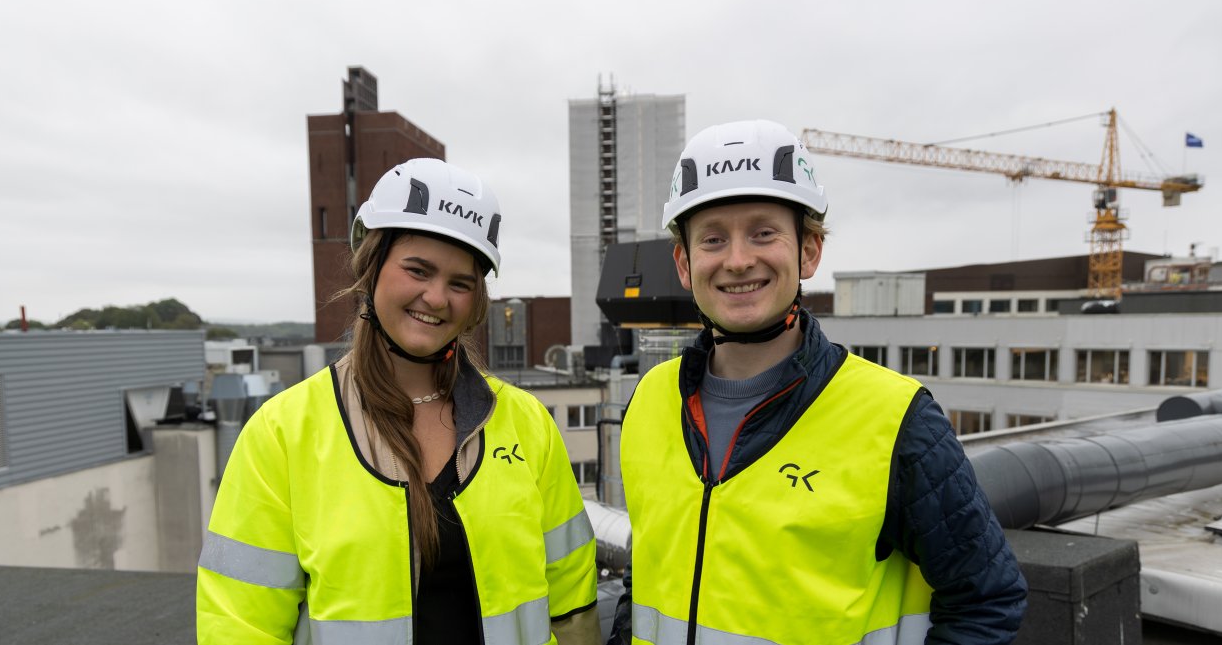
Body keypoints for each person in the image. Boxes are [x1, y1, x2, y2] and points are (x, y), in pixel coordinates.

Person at [608, 121, 1027, 645]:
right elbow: (648, 574)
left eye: (764, 232)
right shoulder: (651, 399)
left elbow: (986, 599)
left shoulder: (895, 419)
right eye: (713, 238)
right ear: (684, 263)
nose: (738, 259)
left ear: (808, 250)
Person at [198, 158, 600, 645]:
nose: (436, 297)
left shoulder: (527, 423)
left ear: (476, 302)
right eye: (418, 270)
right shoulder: (283, 434)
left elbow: (573, 606)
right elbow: (241, 626)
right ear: (371, 268)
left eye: (460, 283)